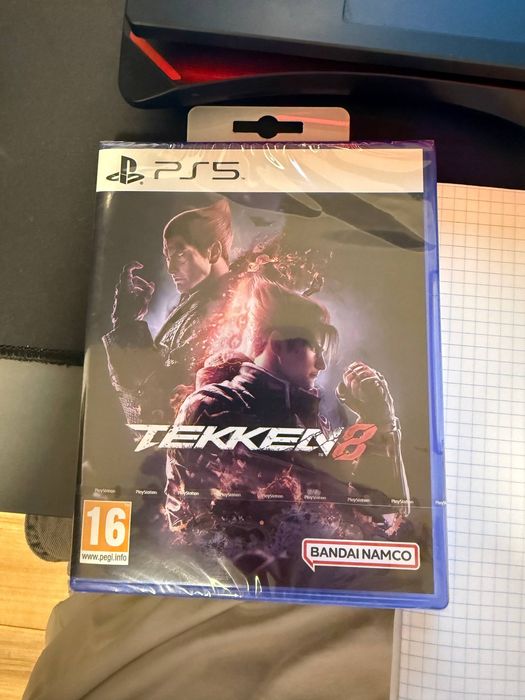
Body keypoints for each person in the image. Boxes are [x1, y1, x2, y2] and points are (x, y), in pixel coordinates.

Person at [164, 279, 411, 586]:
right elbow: (309, 514)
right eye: (315, 349)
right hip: (234, 589)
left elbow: (385, 521)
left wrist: (381, 424)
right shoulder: (215, 408)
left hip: (301, 586)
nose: (322, 364)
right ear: (279, 343)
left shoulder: (307, 422)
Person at [103, 198, 233, 425]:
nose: (171, 268)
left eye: (179, 253)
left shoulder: (227, 310)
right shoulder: (196, 303)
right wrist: (128, 322)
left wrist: (125, 324)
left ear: (213, 251)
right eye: (167, 257)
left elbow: (154, 405)